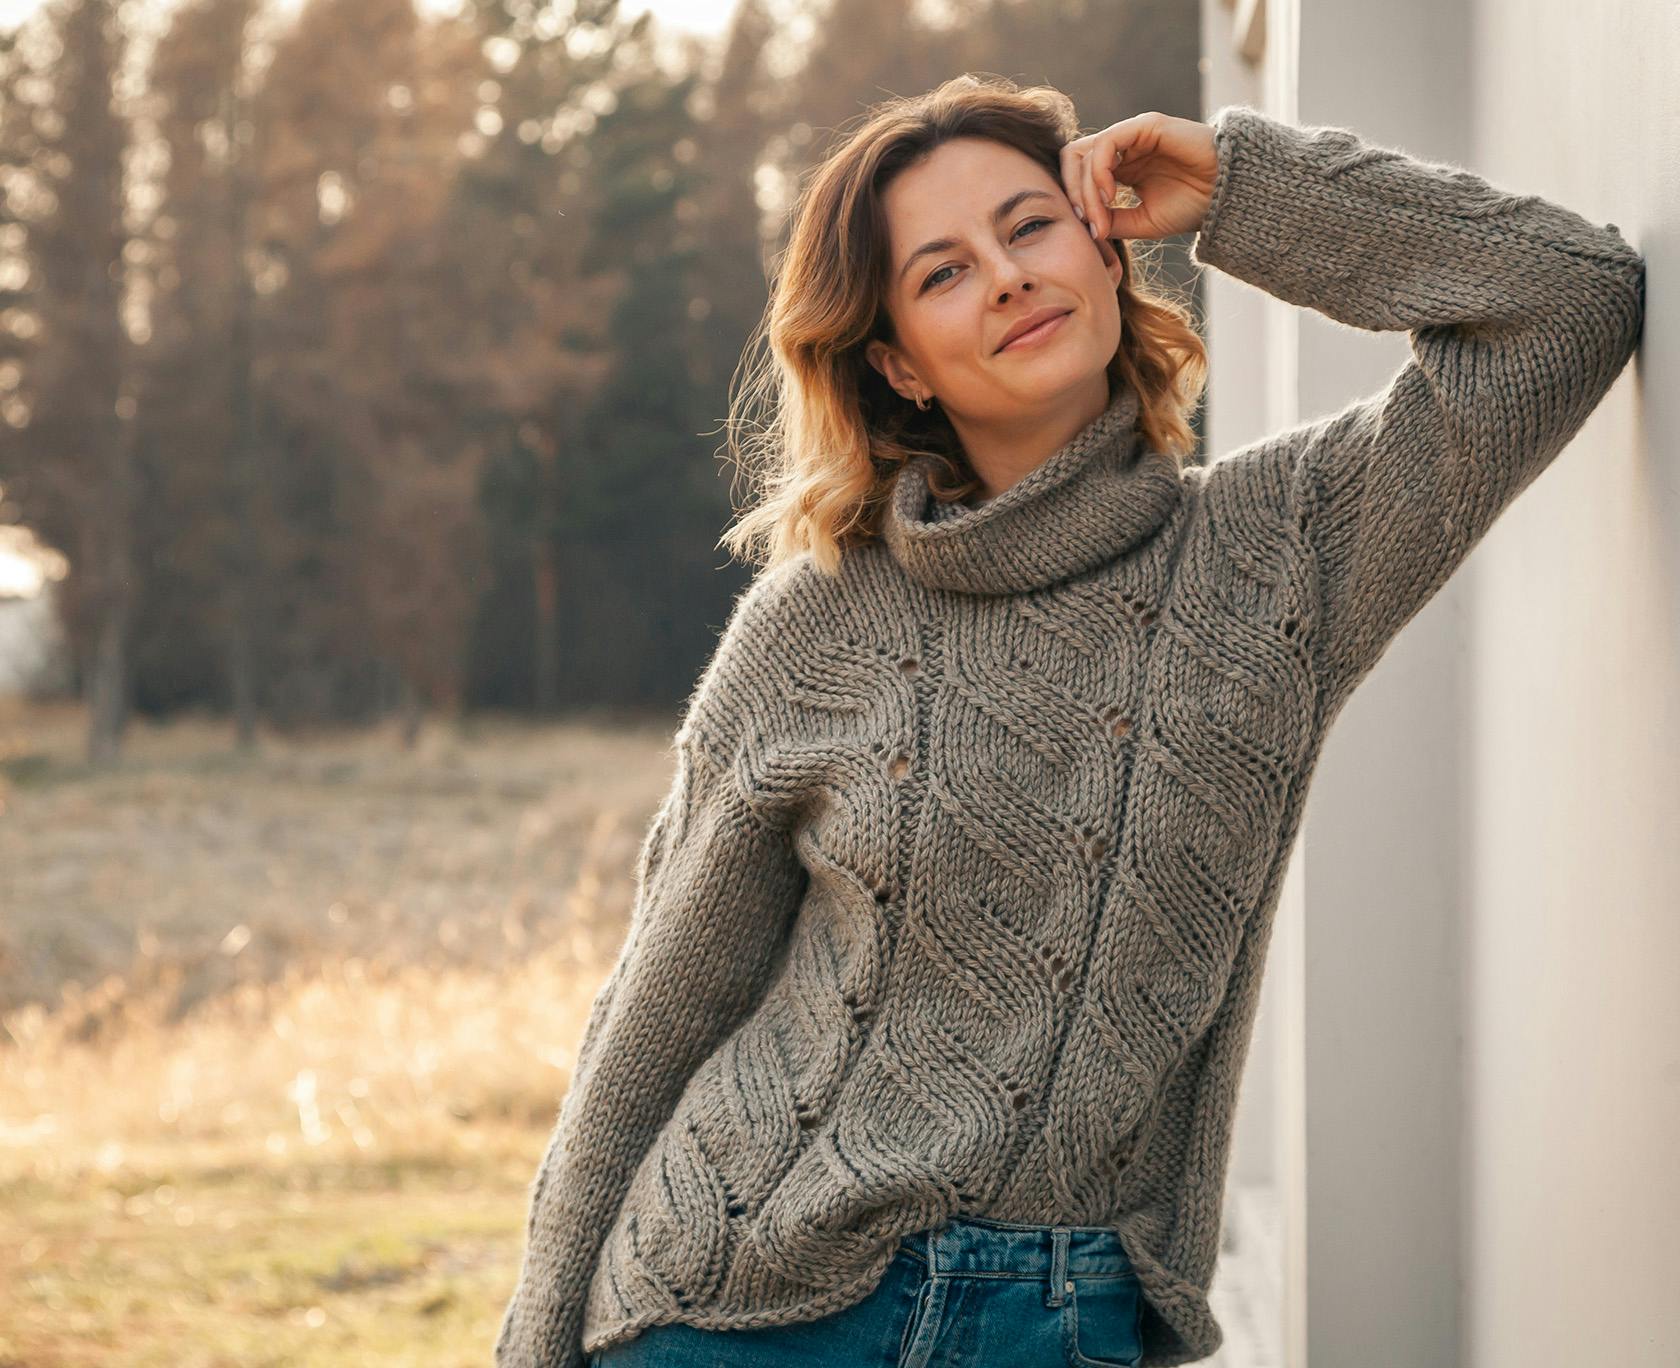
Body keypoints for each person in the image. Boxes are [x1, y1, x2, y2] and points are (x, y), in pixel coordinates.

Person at [494, 74, 1646, 1368]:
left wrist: (1243, 186)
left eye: (1029, 226)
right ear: (896, 365)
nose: (1004, 277)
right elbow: (657, 1015)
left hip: (1061, 1319)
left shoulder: (1282, 553)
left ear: (1106, 247)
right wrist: (538, 1339)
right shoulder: (811, 628)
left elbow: (1570, 300)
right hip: (742, 1302)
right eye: (942, 272)